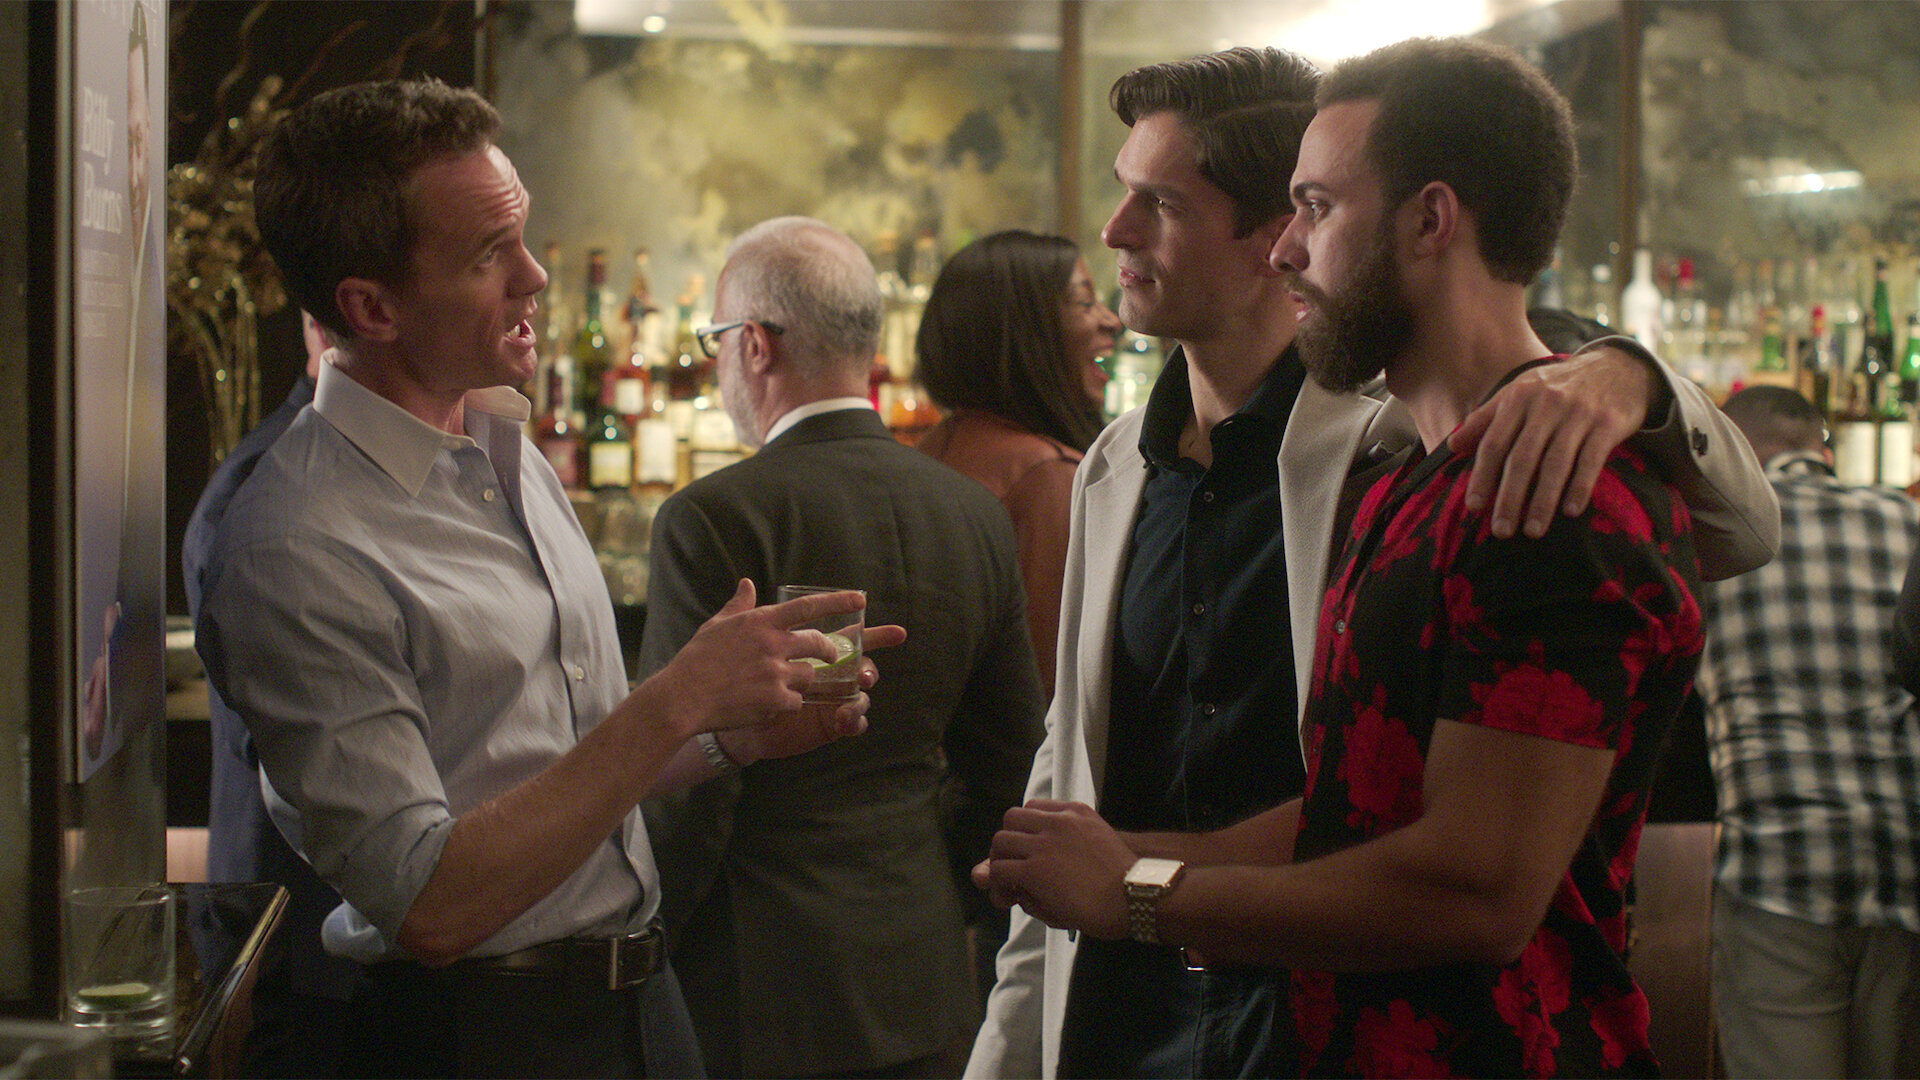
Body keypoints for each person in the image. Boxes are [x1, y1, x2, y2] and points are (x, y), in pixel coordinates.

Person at [966, 46, 1776, 1080]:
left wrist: (1633, 376)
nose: (1291, 250)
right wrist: (1106, 894)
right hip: (1176, 1014)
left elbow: (1475, 889)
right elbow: (1335, 803)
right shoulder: (1177, 469)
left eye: (1314, 206)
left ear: (1427, 220)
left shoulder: (1501, 466)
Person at [197, 80, 897, 1079]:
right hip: (478, 1036)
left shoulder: (501, 441)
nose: (534, 277)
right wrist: (673, 701)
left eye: (524, 237)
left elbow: (548, 763)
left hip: (639, 1006)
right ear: (371, 307)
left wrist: (725, 735)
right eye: (491, 255)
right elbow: (429, 903)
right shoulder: (295, 544)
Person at [638, 216, 1046, 1080]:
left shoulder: (712, 519)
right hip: (923, 962)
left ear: (754, 345)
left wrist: (644, 937)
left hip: (756, 974)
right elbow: (1010, 759)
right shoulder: (972, 511)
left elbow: (688, 780)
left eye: (716, 341)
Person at [1700, 386, 1920, 1079]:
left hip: (1777, 864)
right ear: (1824, 449)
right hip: (1906, 863)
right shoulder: (1907, 518)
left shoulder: (1716, 534)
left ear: (1736, 451)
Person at [182, 312, 353, 1076]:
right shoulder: (271, 484)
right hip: (293, 927)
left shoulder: (333, 462)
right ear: (323, 323)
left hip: (325, 925)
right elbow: (300, 747)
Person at [915, 230, 1122, 700]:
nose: (1111, 320)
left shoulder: (933, 447)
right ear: (1025, 333)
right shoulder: (1046, 477)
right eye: (1084, 302)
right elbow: (1053, 683)